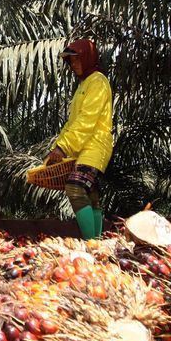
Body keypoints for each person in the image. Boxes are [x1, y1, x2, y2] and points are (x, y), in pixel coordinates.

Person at [45, 38, 113, 239]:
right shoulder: (85, 85)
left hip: (96, 146)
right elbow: (72, 123)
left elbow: (87, 120)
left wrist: (64, 148)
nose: (73, 65)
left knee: (75, 188)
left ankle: (90, 242)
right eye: (70, 61)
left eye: (76, 60)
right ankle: (97, 244)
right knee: (91, 195)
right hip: (85, 146)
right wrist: (57, 147)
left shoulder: (98, 82)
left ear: (88, 58)